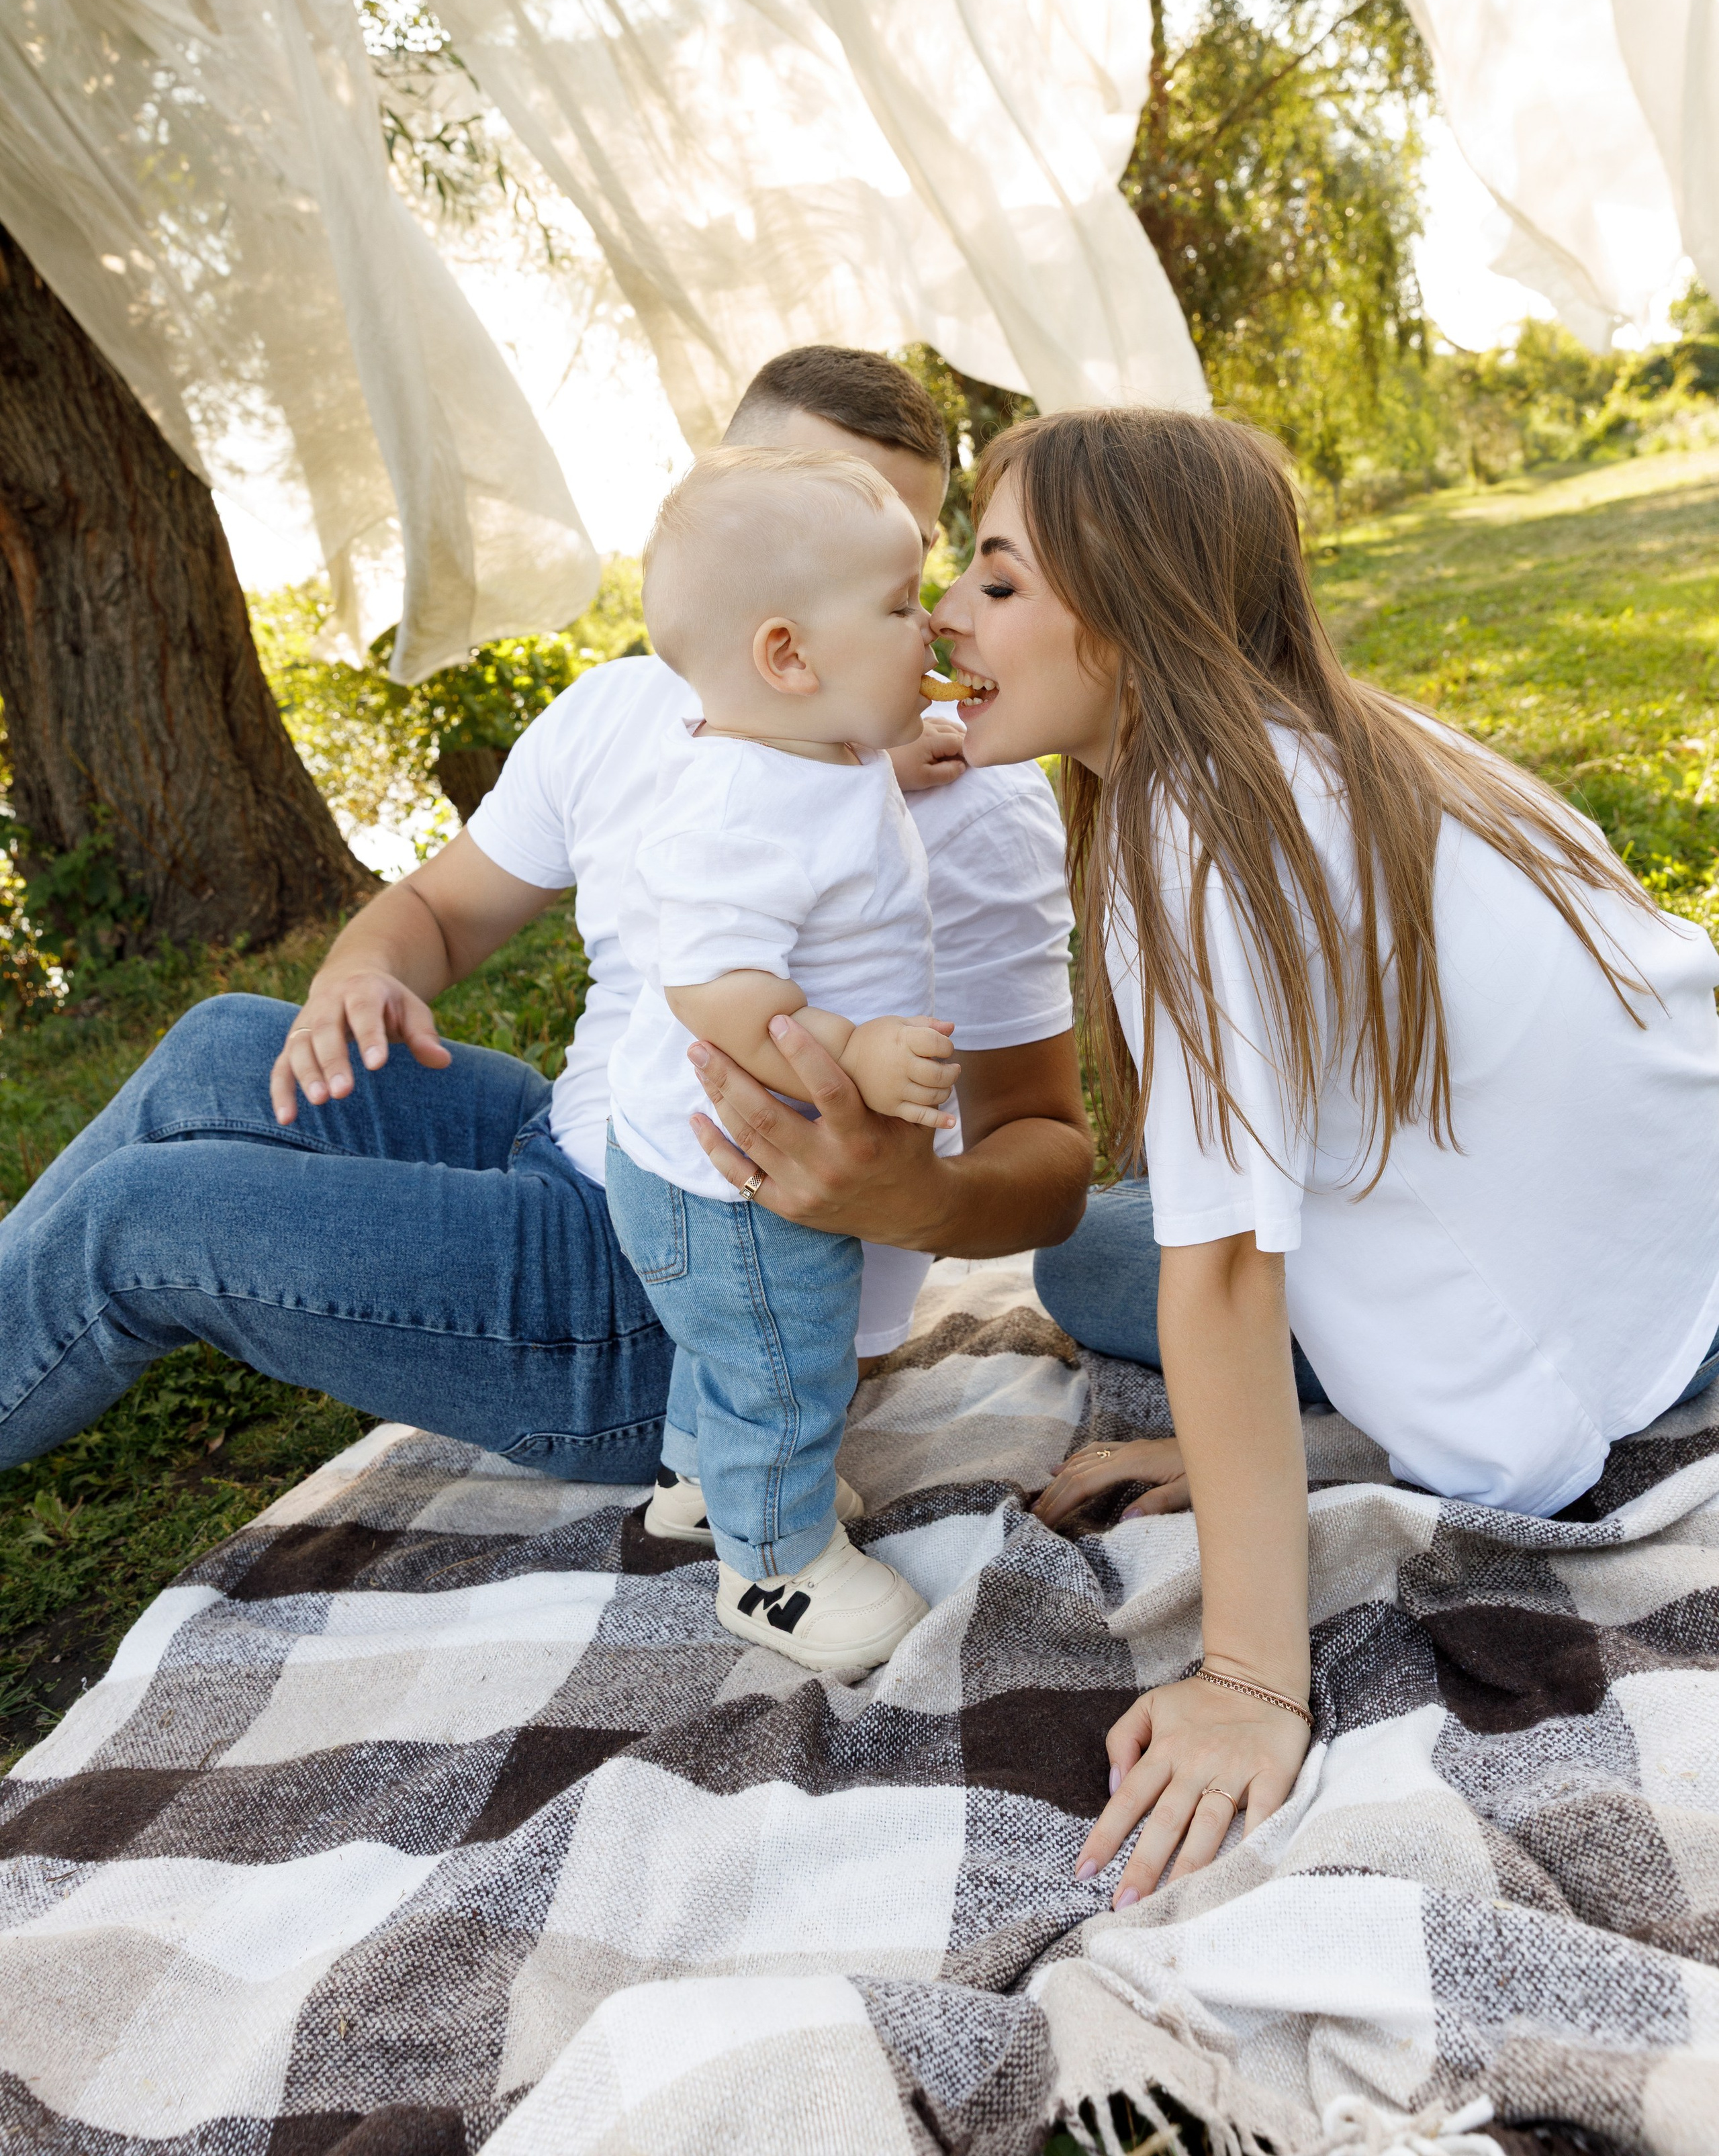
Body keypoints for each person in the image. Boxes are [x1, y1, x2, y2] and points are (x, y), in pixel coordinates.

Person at [0, 348, 1088, 1478]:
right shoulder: (627, 709)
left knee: (143, 1219)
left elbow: (1048, 1147)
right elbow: (439, 910)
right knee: (224, 1043)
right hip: (585, 1152)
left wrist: (920, 1199)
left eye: (900, 569)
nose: (907, 620)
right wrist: (361, 975)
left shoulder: (972, 798)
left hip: (689, 1315)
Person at [931, 404, 1719, 1904]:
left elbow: (1225, 1267)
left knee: (1128, 1259)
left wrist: (1247, 1675)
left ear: (1135, 609)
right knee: (1108, 1249)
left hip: (1578, 1370)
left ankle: (1290, 1441)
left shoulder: (1199, 839)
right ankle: (1278, 1430)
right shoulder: (1328, 742)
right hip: (1665, 1238)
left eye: (996, 579)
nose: (944, 615)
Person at [608, 447, 952, 1668]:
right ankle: (773, 1568)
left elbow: (819, 840)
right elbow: (713, 985)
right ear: (789, 657)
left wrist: (897, 760)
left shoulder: (812, 753)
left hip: (717, 1165)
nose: (933, 622)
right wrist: (850, 1047)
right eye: (904, 605)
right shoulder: (736, 808)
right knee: (785, 1354)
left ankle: (700, 1485)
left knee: (732, 1346)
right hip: (727, 1180)